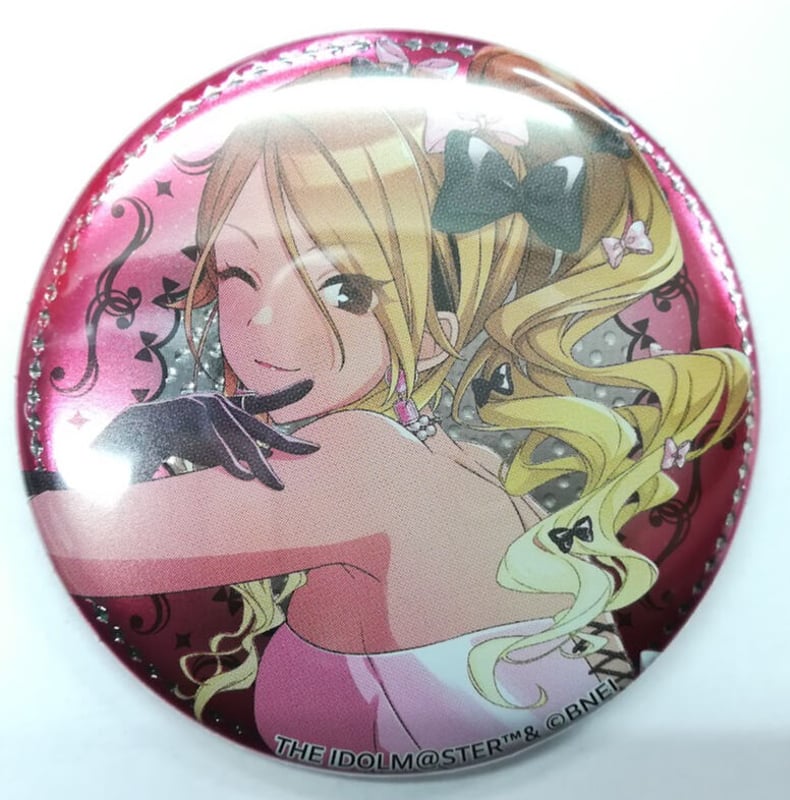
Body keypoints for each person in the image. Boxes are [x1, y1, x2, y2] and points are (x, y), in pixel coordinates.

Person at [32, 53, 751, 763]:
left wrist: (136, 433)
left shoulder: (360, 466)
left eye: (345, 290)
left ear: (439, 331)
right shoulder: (461, 460)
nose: (264, 325)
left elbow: (74, 543)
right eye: (237, 273)